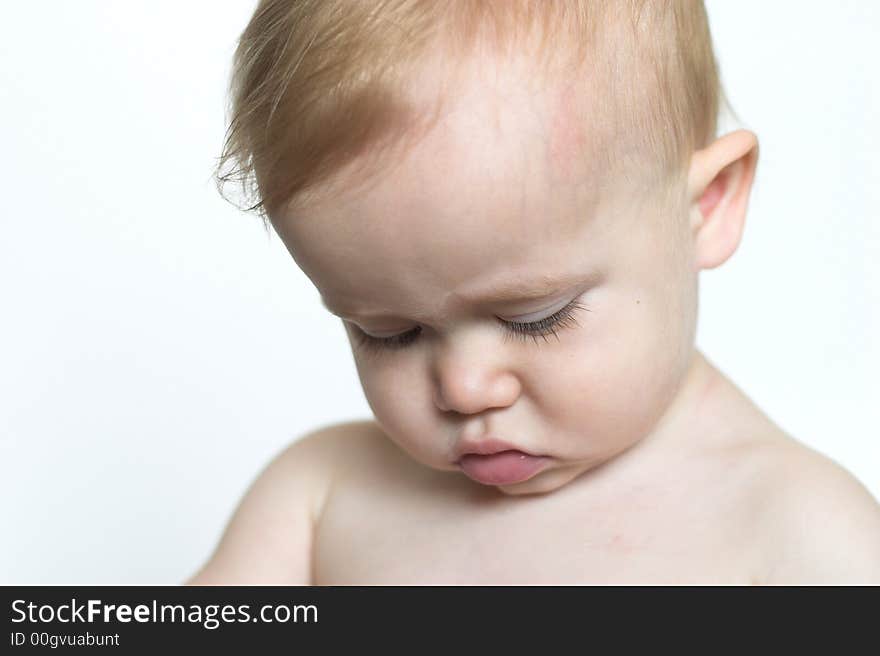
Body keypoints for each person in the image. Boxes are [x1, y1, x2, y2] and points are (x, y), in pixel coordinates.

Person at [187, 0, 880, 584]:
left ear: (706, 206)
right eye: (387, 332)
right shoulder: (318, 498)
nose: (464, 388)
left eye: (534, 318)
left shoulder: (804, 541)